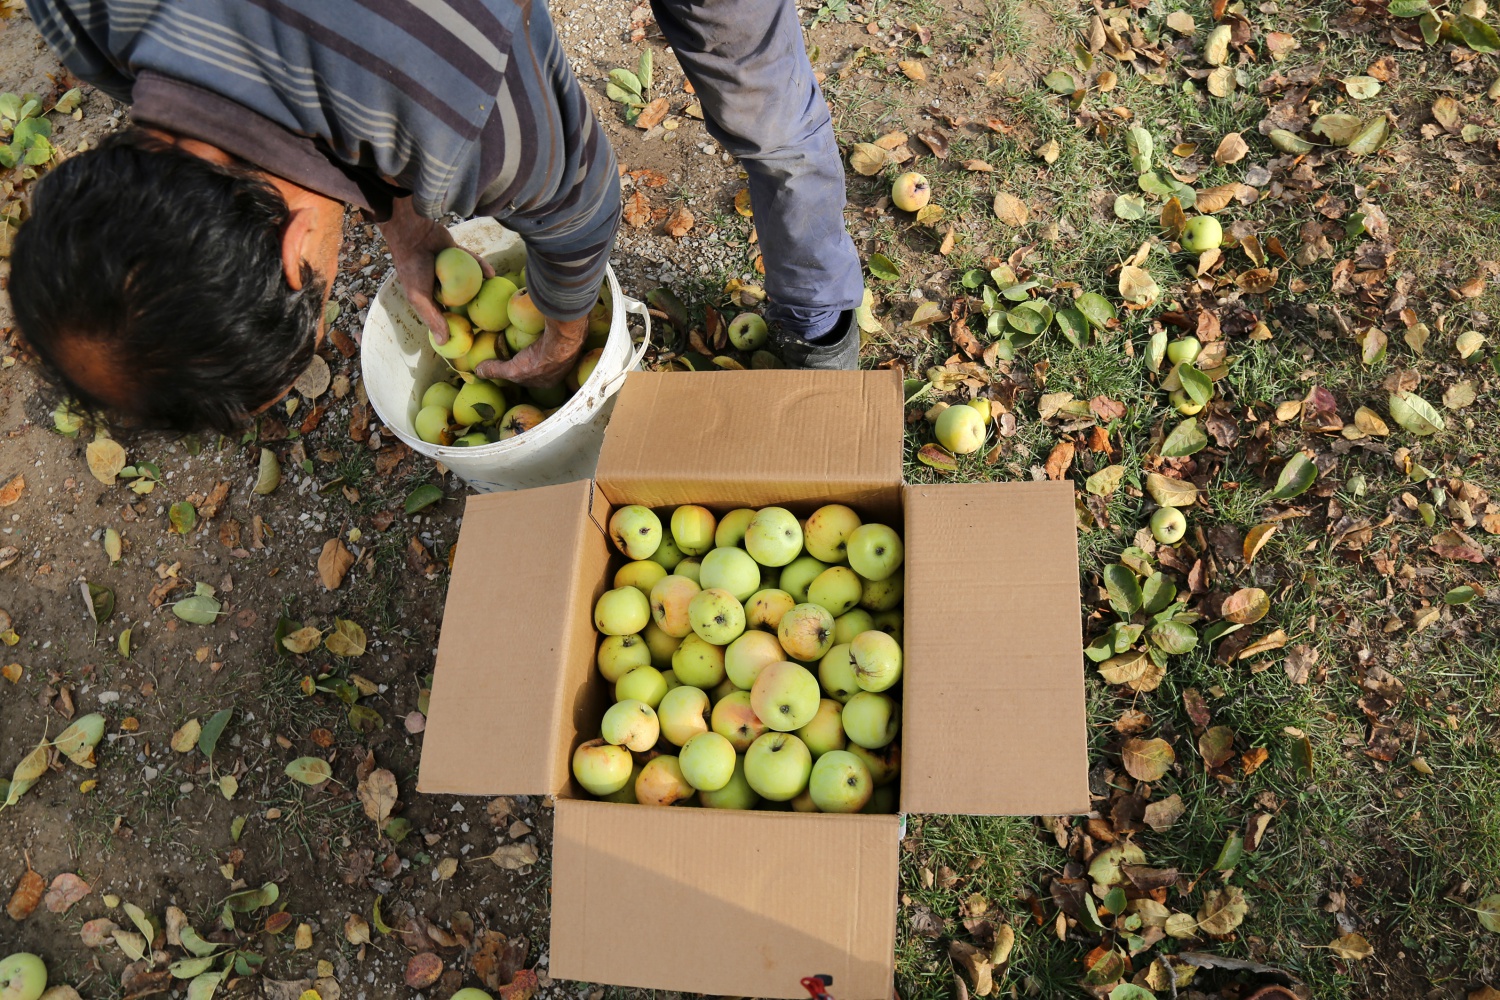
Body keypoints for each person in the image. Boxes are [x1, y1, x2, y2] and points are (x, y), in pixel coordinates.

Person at [10, 0, 864, 434]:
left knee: (764, 108)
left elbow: (580, 207)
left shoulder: (472, 123)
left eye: (316, 296)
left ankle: (818, 308)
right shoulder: (83, 16)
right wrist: (407, 224)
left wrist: (564, 333)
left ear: (296, 242)